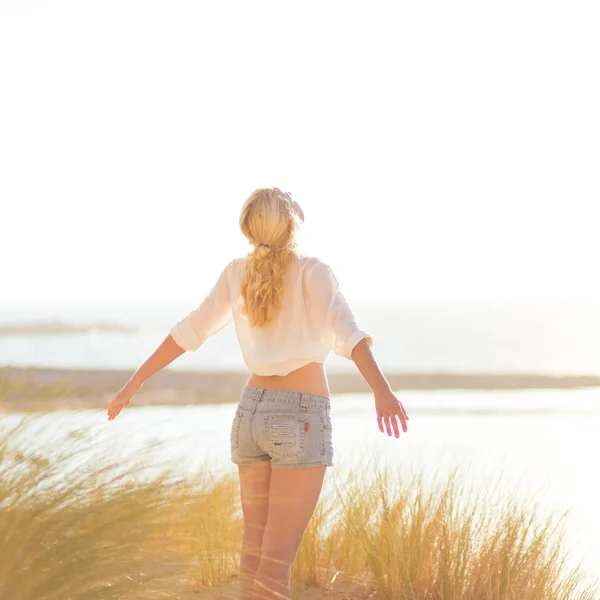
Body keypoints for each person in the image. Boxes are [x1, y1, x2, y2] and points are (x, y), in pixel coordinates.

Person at [107, 187, 409, 600]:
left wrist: (134, 382)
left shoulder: (236, 272)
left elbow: (188, 331)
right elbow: (348, 333)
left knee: (255, 552)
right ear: (292, 220)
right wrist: (383, 391)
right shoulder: (312, 270)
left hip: (250, 414)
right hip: (298, 418)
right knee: (277, 560)